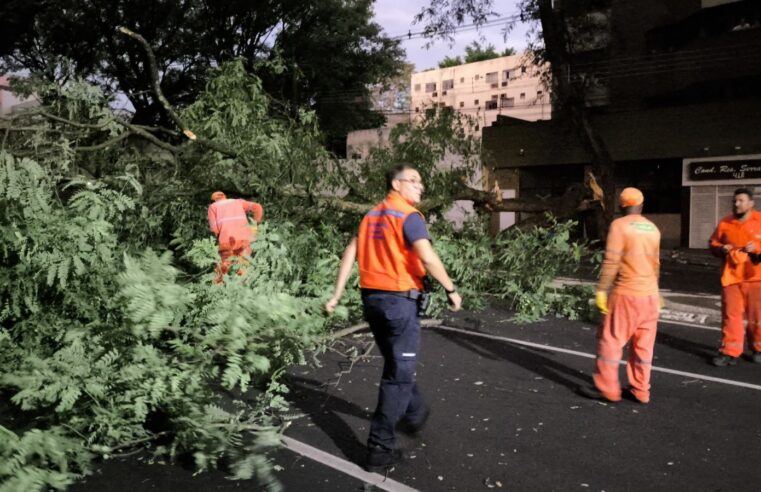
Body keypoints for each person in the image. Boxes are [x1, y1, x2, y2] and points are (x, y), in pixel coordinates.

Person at [324, 163, 462, 472]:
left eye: (420, 181)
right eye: (413, 180)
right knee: (398, 376)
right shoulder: (408, 217)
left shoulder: (371, 216)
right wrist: (451, 289)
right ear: (395, 184)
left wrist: (336, 294)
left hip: (372, 301)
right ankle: (379, 448)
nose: (419, 186)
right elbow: (427, 256)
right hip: (399, 303)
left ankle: (415, 413)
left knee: (396, 363)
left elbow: (350, 253)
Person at [579, 187, 661, 404]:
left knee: (611, 341)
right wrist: (657, 292)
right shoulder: (653, 229)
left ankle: (608, 389)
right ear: (641, 206)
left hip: (627, 294)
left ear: (621, 206)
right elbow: (656, 265)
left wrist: (601, 291)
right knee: (643, 347)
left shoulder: (619, 226)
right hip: (650, 296)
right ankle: (641, 390)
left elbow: (611, 262)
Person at [708, 188, 761, 366]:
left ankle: (758, 349)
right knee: (731, 316)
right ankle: (730, 352)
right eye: (735, 201)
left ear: (751, 203)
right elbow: (713, 243)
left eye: (740, 200)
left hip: (756, 278)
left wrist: (757, 250)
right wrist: (721, 248)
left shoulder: (760, 221)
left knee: (758, 316)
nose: (736, 204)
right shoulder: (725, 223)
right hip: (731, 277)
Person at [207, 191, 263, 283]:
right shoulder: (238, 202)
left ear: (213, 201)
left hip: (227, 241)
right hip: (244, 240)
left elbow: (214, 229)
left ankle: (218, 289)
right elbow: (258, 207)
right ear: (225, 197)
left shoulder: (212, 207)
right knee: (243, 267)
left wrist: (218, 239)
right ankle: (242, 289)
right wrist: (254, 226)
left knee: (223, 269)